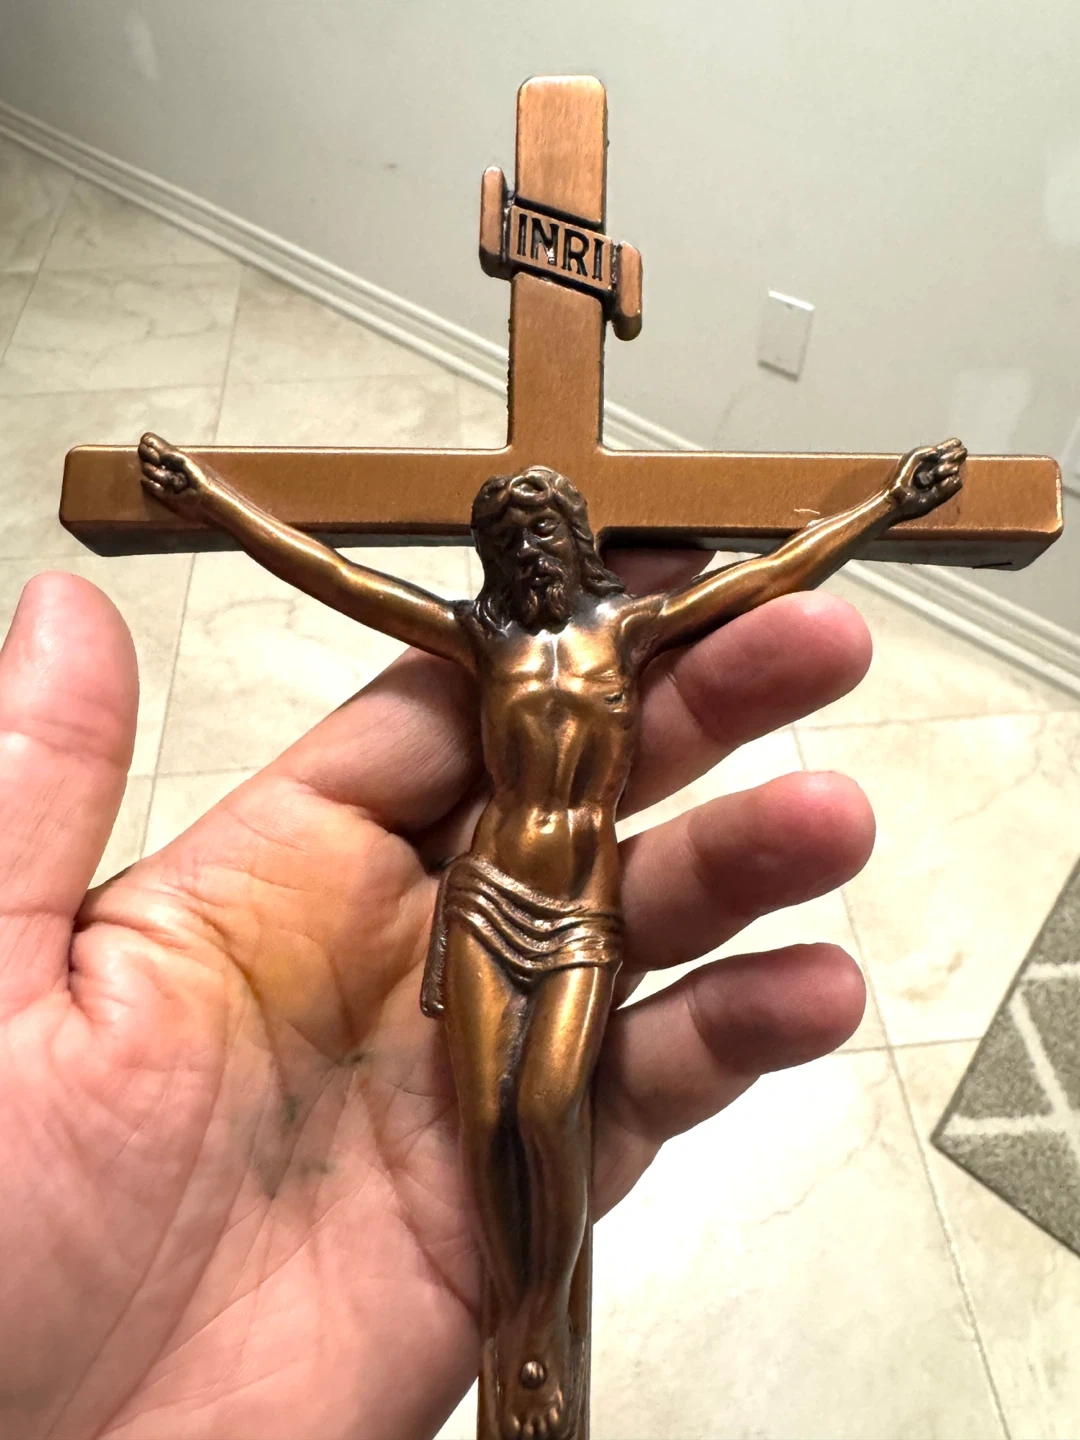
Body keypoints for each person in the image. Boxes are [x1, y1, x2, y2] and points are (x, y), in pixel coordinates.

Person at [0, 435, 959, 1440]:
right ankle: (524, 1338)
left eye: (544, 534)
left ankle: (533, 1317)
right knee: (488, 1123)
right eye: (511, 542)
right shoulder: (482, 638)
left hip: (583, 905)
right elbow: (335, 576)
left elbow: (769, 576)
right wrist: (212, 502)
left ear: (576, 540)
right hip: (485, 896)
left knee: (550, 1111)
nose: (531, 554)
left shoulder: (630, 627)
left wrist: (888, 505)